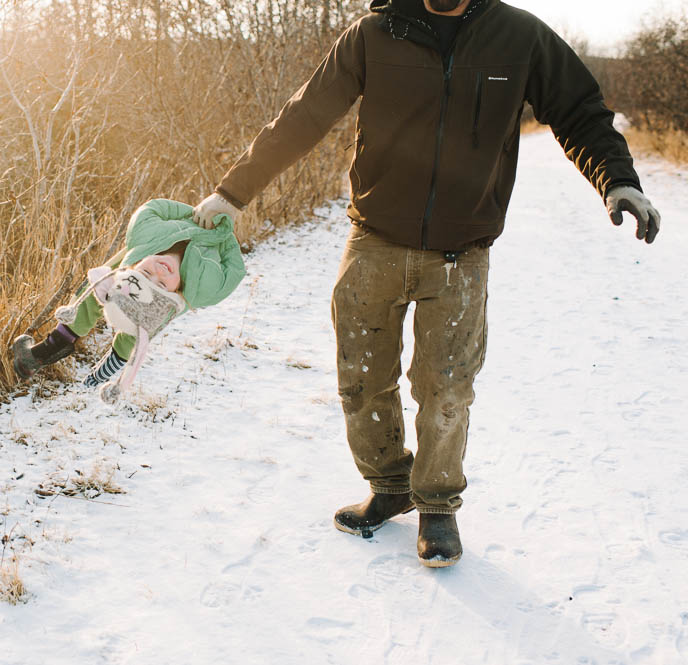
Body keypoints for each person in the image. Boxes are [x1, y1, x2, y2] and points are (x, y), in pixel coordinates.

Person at [192, 0, 661, 567]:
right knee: (361, 380)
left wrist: (617, 180)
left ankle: (437, 506)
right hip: (374, 241)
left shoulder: (520, 37)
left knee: (446, 386)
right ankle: (389, 487)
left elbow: (581, 112)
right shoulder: (372, 35)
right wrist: (234, 192)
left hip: (462, 252)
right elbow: (305, 115)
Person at [13, 198, 245, 390]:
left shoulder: (149, 237)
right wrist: (220, 232)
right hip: (129, 280)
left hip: (133, 277)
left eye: (158, 283)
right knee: (96, 297)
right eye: (146, 274)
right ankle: (49, 350)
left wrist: (197, 217)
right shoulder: (203, 286)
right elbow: (235, 269)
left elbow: (153, 208)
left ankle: (93, 373)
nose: (157, 273)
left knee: (132, 327)